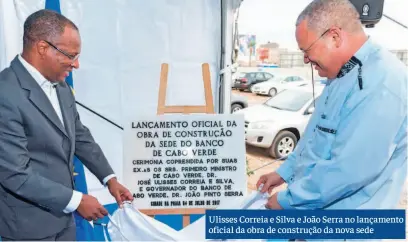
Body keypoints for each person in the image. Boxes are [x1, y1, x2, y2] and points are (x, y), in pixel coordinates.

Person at [257, 0, 407, 210]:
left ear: (335, 37)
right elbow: (315, 138)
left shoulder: (382, 82)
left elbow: (350, 169)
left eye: (306, 50)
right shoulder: (341, 74)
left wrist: (289, 200)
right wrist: (285, 172)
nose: (306, 60)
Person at [0, 9, 133, 241]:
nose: (76, 64)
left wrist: (109, 179)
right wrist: (77, 200)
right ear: (42, 48)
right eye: (71, 55)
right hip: (26, 228)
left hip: (64, 222)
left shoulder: (60, 86)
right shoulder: (5, 93)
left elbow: (79, 135)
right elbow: (15, 174)